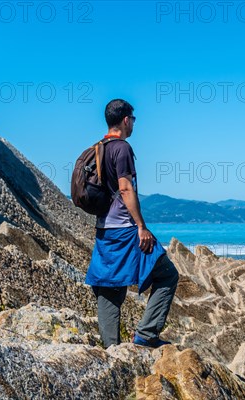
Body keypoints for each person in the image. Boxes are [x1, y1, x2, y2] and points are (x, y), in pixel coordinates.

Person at [85, 99, 179, 349]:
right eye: (133, 119)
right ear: (126, 120)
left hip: (104, 229)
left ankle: (111, 349)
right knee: (168, 274)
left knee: (108, 287)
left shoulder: (99, 148)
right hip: (126, 230)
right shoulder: (122, 148)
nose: (134, 124)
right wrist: (141, 226)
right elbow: (126, 188)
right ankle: (147, 335)